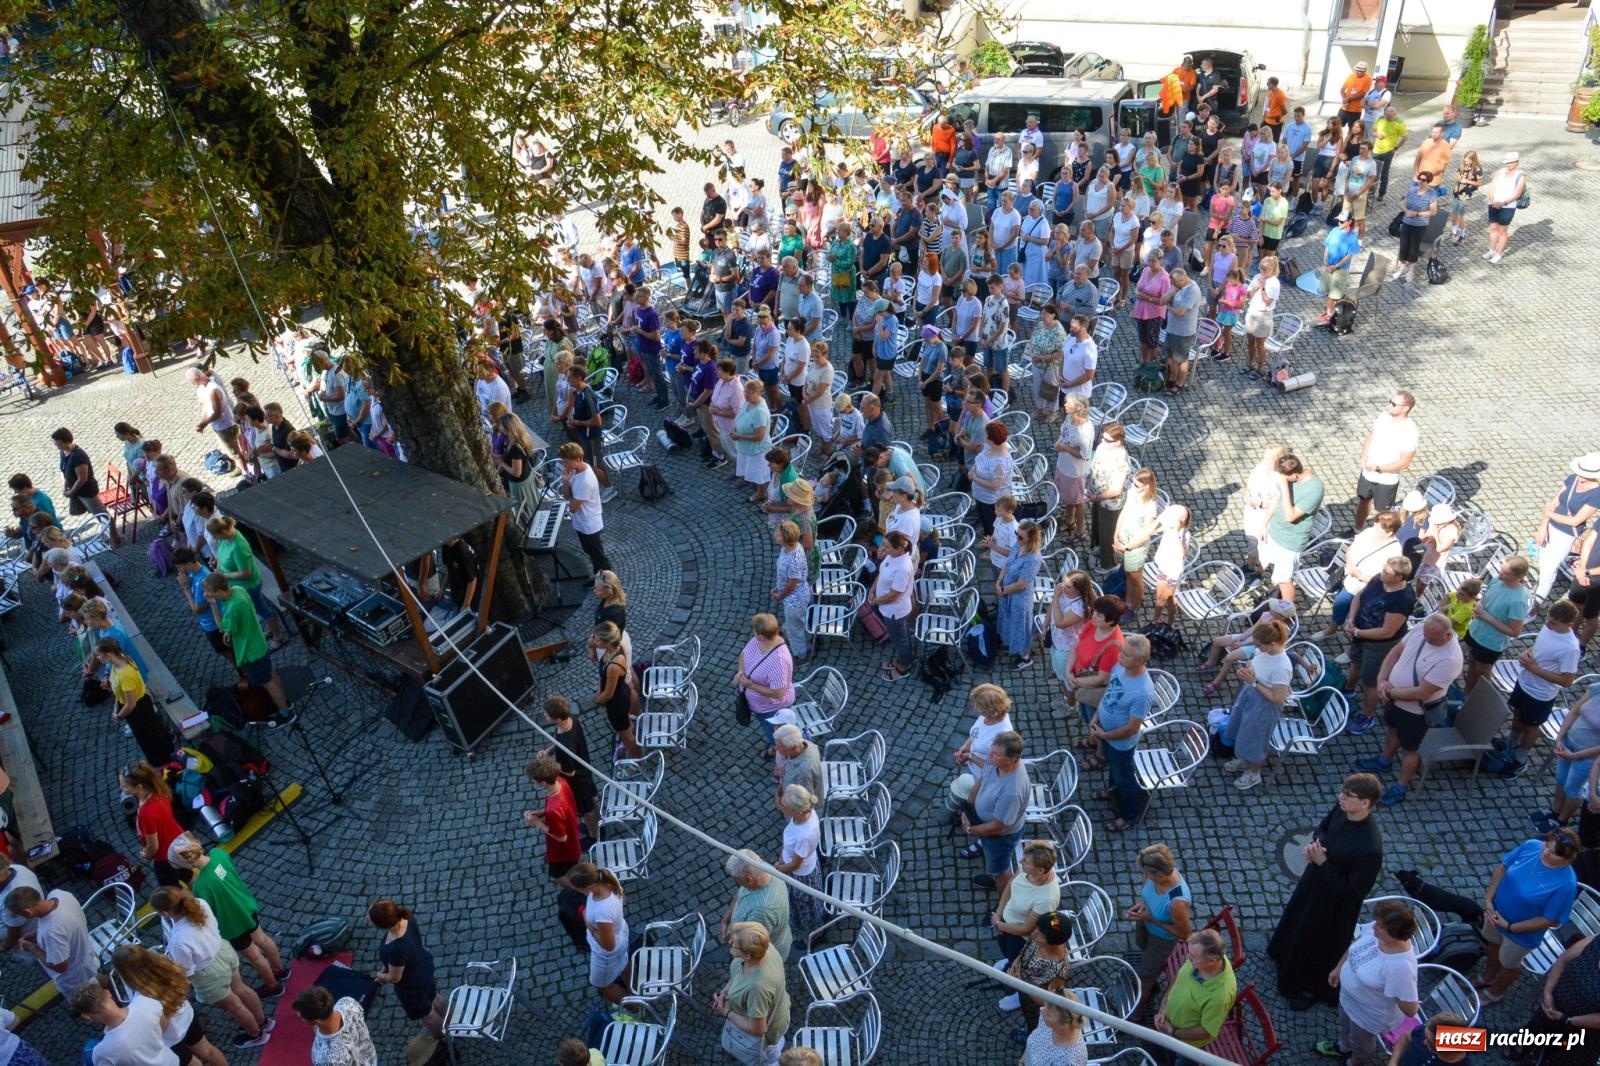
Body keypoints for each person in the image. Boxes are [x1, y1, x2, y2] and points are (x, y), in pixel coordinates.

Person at [1270, 774, 1385, 1008]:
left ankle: (1303, 988)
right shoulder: (1342, 810)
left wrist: (1323, 863)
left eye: (1348, 795)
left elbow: (1354, 891)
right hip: (1315, 883)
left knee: (1313, 942)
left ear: (1365, 803)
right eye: (1342, 792)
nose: (1341, 797)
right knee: (1296, 922)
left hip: (1332, 907)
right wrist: (1316, 845)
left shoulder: (1370, 848)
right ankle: (1283, 955)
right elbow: (1323, 828)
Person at [149, 885, 271, 1050]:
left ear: (164, 913)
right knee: (242, 989)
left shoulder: (179, 940)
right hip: (223, 951)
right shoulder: (200, 903)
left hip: (208, 973)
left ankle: (256, 1034)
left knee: (234, 1005)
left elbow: (185, 971)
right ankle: (263, 1021)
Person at [171, 839, 285, 998]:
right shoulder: (218, 853)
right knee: (263, 939)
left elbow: (206, 910)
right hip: (245, 906)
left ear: (185, 863)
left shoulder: (201, 886)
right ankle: (280, 969)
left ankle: (273, 986)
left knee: (254, 955)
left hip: (232, 925)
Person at [1314, 900, 1420, 1065]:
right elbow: (1356, 945)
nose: (1373, 926)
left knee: (1361, 1044)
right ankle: (1343, 1047)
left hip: (1367, 1016)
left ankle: (1355, 1062)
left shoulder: (1401, 967)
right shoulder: (1377, 930)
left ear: (1394, 934)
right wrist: (1339, 968)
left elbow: (1411, 1009)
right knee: (1345, 1026)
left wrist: (1399, 990)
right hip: (1348, 999)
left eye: (1379, 925)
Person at [1480, 830, 1581, 1003]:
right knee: (1493, 943)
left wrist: (1510, 927)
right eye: (1546, 845)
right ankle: (1488, 975)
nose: (1545, 852)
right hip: (1496, 913)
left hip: (1521, 933)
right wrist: (1489, 899)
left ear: (1567, 859)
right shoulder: (1532, 846)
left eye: (1553, 852)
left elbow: (1550, 919)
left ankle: (1496, 991)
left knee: (1508, 964)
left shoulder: (1566, 885)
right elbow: (1504, 867)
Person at [1341, 556, 1420, 741]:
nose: (1382, 573)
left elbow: (1387, 631)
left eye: (1387, 572)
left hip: (1379, 645)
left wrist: (1357, 632)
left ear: (1399, 577)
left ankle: (1367, 716)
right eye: (1383, 569)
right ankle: (1349, 689)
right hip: (1359, 634)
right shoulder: (1379, 579)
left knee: (1372, 681)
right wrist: (1351, 619)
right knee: (1356, 662)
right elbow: (1359, 597)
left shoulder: (1403, 599)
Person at [1503, 601, 1583, 781]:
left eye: (1553, 622)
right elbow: (1540, 648)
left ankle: (1520, 759)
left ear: (1568, 624)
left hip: (1540, 694)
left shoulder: (1570, 648)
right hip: (1524, 682)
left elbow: (1567, 681)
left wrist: (1534, 669)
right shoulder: (1548, 627)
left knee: (1531, 727)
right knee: (1517, 714)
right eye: (1548, 618)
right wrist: (1528, 653)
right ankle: (1511, 744)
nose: (1547, 623)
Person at [201, 573, 291, 717]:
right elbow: (235, 623)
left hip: (250, 652)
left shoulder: (233, 608)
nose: (206, 594)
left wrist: (213, 605)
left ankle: (285, 712)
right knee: (270, 674)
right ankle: (285, 701)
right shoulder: (238, 590)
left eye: (209, 591)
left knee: (268, 682)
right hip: (258, 643)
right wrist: (229, 631)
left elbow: (221, 627)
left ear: (219, 590)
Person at [1218, 619, 1293, 790]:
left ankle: (1253, 773)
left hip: (1264, 706)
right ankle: (1244, 759)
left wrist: (1253, 681)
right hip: (1250, 695)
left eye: (1259, 644)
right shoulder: (1264, 651)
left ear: (1272, 644)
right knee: (1242, 729)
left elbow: (1278, 698)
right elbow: (1253, 663)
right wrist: (1247, 670)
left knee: (1256, 739)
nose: (1256, 647)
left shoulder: (1282, 667)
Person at [1090, 635, 1154, 832]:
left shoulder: (1142, 692)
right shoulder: (1120, 667)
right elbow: (1109, 693)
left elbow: (1131, 728)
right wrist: (1096, 717)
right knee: (1114, 769)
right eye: (1122, 651)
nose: (1120, 656)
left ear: (1139, 661)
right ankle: (1112, 791)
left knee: (1125, 778)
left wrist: (1104, 736)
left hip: (1121, 744)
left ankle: (1129, 816)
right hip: (1106, 733)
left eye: (1126, 655)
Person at [958, 730, 1030, 893]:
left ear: (1012, 759)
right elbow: (983, 780)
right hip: (986, 828)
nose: (990, 755)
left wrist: (971, 830)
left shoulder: (1012, 791)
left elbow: (998, 827)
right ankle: (994, 876)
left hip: (999, 838)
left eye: (996, 754)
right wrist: (967, 808)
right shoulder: (995, 761)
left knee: (1001, 870)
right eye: (992, 750)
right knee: (995, 864)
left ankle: (1003, 901)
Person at [1126, 843, 1194, 1011]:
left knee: (1145, 978)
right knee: (1142, 947)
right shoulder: (1155, 875)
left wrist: (1151, 918)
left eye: (1145, 873)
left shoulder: (1177, 901)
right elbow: (1148, 891)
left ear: (1160, 875)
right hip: (1145, 924)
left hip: (1161, 941)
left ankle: (1137, 1012)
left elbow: (1185, 934)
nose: (1143, 876)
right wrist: (1141, 905)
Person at [992, 840, 1062, 1000]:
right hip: (1007, 925)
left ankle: (1019, 995)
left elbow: (1026, 928)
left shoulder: (1046, 899)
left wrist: (999, 924)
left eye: (1026, 861)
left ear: (1041, 870)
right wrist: (999, 913)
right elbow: (1011, 884)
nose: (1020, 861)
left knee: (1019, 967)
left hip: (1021, 939)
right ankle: (1009, 962)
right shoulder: (1029, 870)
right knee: (1008, 954)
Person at [368, 899, 446, 1041]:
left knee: (428, 1014)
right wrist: (387, 966)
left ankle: (446, 1039)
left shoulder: (396, 948)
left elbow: (394, 977)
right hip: (423, 966)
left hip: (412, 984)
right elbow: (396, 962)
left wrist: (380, 976)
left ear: (382, 925)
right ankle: (455, 1023)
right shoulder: (406, 917)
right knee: (435, 996)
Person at [716, 922, 792, 1066]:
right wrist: (726, 991)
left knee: (771, 1057)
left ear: (747, 955)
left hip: (771, 1030)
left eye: (734, 944)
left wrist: (726, 1012)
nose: (729, 943)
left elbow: (758, 1028)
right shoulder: (765, 947)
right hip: (779, 1011)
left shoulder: (757, 987)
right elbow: (738, 973)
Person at [5, 886, 97, 997]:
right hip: (86, 955)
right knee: (96, 980)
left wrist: (32, 948)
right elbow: (63, 927)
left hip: (76, 978)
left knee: (90, 1002)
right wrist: (38, 933)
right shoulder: (59, 894)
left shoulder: (51, 932)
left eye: (18, 914)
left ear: (27, 912)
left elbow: (60, 967)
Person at [96, 638, 176, 766]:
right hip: (136, 706)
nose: (97, 657)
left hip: (139, 711)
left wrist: (119, 716)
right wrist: (116, 707)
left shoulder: (124, 674)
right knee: (150, 736)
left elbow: (131, 704)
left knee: (151, 737)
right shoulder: (119, 660)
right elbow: (120, 692)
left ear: (108, 654)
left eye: (98, 654)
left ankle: (166, 762)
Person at [1520, 937, 1600, 1064]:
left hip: (1582, 1032)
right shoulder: (1596, 941)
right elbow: (1563, 960)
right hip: (1551, 1009)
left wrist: (1567, 1019)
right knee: (1526, 1049)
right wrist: (1548, 992)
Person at [1260, 453, 1325, 603]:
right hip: (1275, 532)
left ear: (1295, 475)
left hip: (1290, 542)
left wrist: (1285, 488)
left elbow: (1290, 516)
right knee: (1263, 562)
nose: (1281, 480)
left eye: (1284, 478)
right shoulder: (1289, 479)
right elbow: (1275, 500)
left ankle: (1287, 610)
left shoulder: (1315, 489)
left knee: (1283, 580)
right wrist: (1264, 525)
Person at [1464, 556, 1532, 696]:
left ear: (1517, 577)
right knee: (1471, 663)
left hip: (1491, 642)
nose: (1500, 573)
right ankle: (1467, 695)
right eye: (1501, 568)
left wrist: (1487, 617)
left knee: (1482, 673)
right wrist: (1479, 604)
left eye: (1506, 573)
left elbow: (1515, 632)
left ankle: (1484, 700)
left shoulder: (1518, 600)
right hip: (1476, 631)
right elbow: (1485, 598)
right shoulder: (1496, 581)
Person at [1157, 929, 1238, 1047]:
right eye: (1189, 953)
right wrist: (1163, 1007)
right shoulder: (1200, 959)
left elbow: (1205, 1031)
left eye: (1193, 956)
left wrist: (1172, 1032)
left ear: (1212, 961)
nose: (1187, 957)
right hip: (1168, 1021)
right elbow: (1179, 976)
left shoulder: (1220, 997)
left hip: (1184, 1043)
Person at [71, 982, 179, 1066]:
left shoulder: (102, 1053)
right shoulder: (145, 1002)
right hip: (171, 1061)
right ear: (108, 993)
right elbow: (164, 1026)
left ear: (87, 1016)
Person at [119, 763, 187, 888]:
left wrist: (146, 854)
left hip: (164, 856)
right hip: (178, 842)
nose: (121, 788)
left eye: (124, 786)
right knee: (188, 875)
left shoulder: (146, 814)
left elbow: (153, 846)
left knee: (172, 890)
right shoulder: (158, 791)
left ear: (138, 787)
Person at [773, 784, 824, 943]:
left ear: (798, 812)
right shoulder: (807, 812)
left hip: (801, 876)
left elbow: (795, 865)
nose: (780, 807)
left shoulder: (804, 836)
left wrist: (779, 868)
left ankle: (813, 935)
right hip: (808, 865)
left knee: (805, 908)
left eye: (784, 806)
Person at [720, 850, 793, 962]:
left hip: (763, 957)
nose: (738, 884)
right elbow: (740, 894)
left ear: (748, 879)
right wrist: (725, 920)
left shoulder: (762, 911)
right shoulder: (762, 869)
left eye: (737, 881)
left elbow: (750, 944)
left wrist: (731, 937)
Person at [1113, 470, 1160, 625]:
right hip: (1124, 537)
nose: (1133, 487)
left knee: (1136, 577)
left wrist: (1127, 547)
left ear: (1147, 486)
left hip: (1136, 544)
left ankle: (1133, 608)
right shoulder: (1132, 492)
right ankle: (1127, 601)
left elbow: (1145, 535)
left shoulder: (1150, 507)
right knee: (1128, 573)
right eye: (1133, 483)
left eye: (1137, 485)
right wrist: (1116, 534)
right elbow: (1124, 512)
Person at [996, 521, 1044, 668]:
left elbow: (1022, 584)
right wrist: (998, 581)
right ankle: (1011, 643)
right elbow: (1008, 564)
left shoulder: (1033, 558)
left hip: (1019, 598)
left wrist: (1003, 590)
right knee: (1009, 620)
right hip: (1007, 590)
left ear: (1031, 538)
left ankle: (1025, 657)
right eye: (1017, 534)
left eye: (1021, 536)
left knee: (1020, 626)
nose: (1017, 538)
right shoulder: (1019, 545)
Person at [869, 530, 915, 682]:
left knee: (899, 640)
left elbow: (894, 595)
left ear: (899, 549)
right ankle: (905, 659)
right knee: (902, 637)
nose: (883, 549)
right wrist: (872, 590)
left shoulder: (903, 568)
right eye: (883, 544)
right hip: (889, 608)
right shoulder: (892, 556)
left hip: (895, 611)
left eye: (887, 546)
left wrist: (876, 601)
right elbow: (881, 573)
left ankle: (904, 667)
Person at [293, 985, 377, 1066]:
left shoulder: (328, 1060)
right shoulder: (348, 1003)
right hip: (370, 1058)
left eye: (302, 1018)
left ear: (316, 1021)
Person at [1020, 980, 1087, 1066]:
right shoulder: (1049, 1018)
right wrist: (1023, 1060)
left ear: (1063, 1025)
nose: (1041, 1010)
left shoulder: (1067, 1062)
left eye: (1049, 1014)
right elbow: (1035, 1039)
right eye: (1044, 1006)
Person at [1394, 171, 1438, 284]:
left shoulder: (1431, 194)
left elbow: (1433, 212)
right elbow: (1402, 203)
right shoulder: (1412, 190)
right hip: (1407, 222)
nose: (1420, 181)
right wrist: (1407, 211)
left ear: (1428, 182)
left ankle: (1411, 271)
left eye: (1423, 180)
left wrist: (1417, 214)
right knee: (1403, 246)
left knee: (1413, 248)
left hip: (1419, 225)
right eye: (1419, 179)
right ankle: (1402, 268)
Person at [1483, 151, 1525, 264]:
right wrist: (1491, 197)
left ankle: (1499, 253)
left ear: (1517, 163)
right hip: (1493, 203)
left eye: (1511, 163)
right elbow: (1493, 186)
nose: (1508, 165)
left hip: (1508, 206)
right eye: (1507, 163)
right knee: (1493, 228)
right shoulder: (1500, 172)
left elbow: (1517, 193)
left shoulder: (1520, 176)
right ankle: (1492, 250)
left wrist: (1503, 203)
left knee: (1502, 230)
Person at [1448, 149, 1483, 246]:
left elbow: (1480, 183)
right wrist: (1459, 178)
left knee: (1460, 216)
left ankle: (1461, 236)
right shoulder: (1463, 165)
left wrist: (1467, 181)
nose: (1466, 161)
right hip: (1457, 193)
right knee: (1454, 214)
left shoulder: (1477, 169)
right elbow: (1458, 175)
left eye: (1468, 160)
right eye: (1465, 159)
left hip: (1465, 195)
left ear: (1473, 160)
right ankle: (1454, 232)